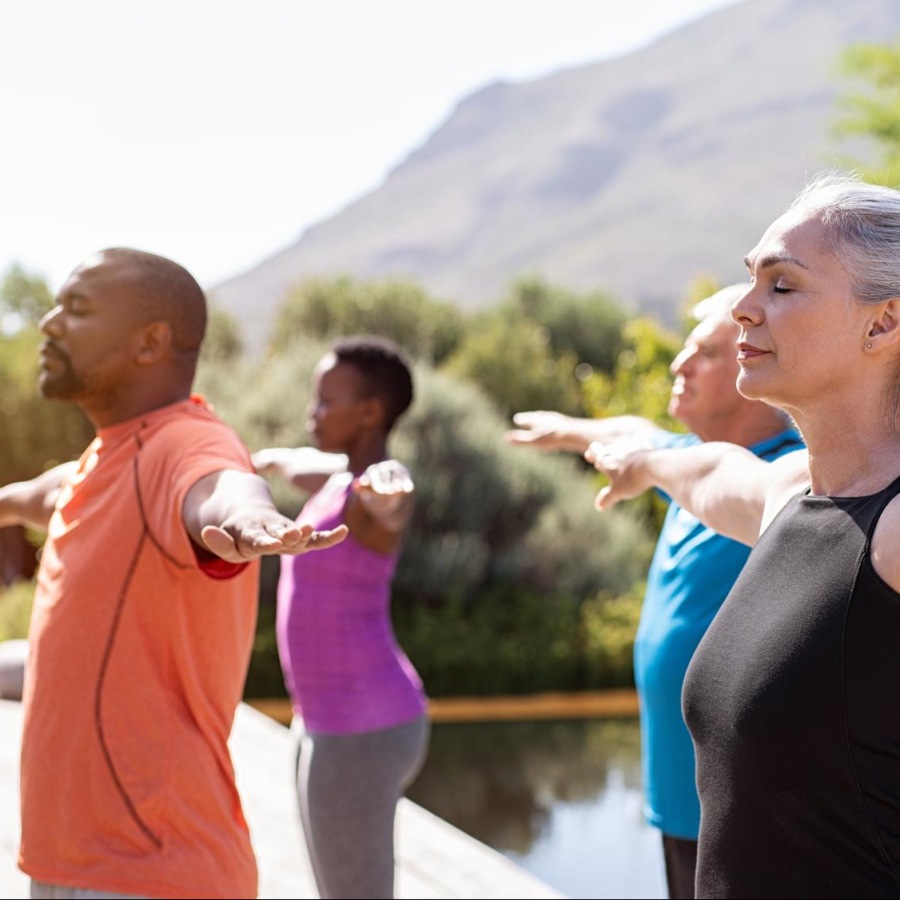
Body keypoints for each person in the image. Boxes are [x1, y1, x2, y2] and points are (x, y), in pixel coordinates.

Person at [586, 171, 900, 898]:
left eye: (782, 287)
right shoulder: (791, 497)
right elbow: (704, 472)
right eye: (750, 282)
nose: (745, 312)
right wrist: (642, 464)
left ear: (882, 323)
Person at [0, 247, 348, 900]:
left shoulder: (184, 444)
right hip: (64, 866)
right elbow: (31, 496)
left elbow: (222, 487)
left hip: (155, 874)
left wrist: (253, 523)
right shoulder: (96, 466)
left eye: (76, 309)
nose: (48, 323)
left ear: (151, 342)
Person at [504, 284, 803, 899]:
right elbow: (636, 431)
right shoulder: (686, 458)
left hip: (753, 814)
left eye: (704, 353)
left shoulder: (789, 478)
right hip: (680, 802)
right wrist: (568, 429)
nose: (678, 365)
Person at [252, 334, 429, 900]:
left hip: (362, 728)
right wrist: (257, 462)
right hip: (326, 721)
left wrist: (387, 494)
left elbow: (391, 497)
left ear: (371, 412)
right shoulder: (335, 479)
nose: (313, 412)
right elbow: (298, 463)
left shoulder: (369, 491)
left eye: (327, 401)